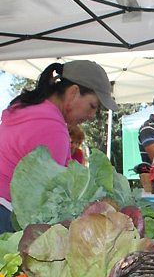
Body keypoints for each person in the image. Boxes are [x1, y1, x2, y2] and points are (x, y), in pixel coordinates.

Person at [0, 60, 118, 234]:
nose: (92, 116)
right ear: (73, 92)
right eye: (92, 106)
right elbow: (50, 202)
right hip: (8, 216)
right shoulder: (52, 129)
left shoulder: (27, 108)